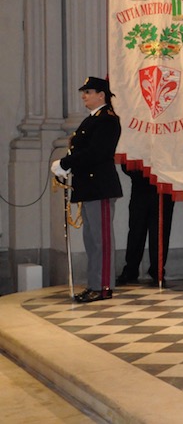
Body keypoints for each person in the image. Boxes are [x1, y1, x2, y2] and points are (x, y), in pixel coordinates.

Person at [51, 77, 123, 303]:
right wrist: (68, 165)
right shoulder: (92, 119)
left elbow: (96, 152)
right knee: (92, 240)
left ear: (101, 95)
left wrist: (66, 163)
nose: (84, 95)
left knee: (101, 241)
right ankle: (94, 283)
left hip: (100, 186)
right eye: (84, 92)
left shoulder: (107, 120)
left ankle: (103, 286)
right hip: (90, 187)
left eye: (88, 92)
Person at [116, 167, 175, 286]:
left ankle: (157, 270)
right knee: (136, 230)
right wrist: (134, 172)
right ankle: (131, 269)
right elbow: (126, 160)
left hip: (163, 185)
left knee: (160, 231)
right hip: (140, 185)